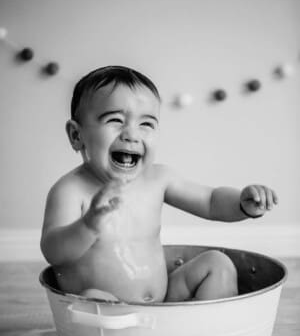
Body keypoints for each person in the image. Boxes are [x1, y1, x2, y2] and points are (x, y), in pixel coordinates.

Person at [40, 66, 278, 303]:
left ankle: (203, 331)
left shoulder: (158, 178)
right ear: (76, 135)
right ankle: (128, 330)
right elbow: (53, 252)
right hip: (109, 311)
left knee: (218, 263)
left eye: (146, 124)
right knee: (92, 299)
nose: (132, 135)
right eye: (115, 120)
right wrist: (88, 225)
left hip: (165, 300)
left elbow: (211, 202)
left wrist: (242, 204)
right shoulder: (70, 191)